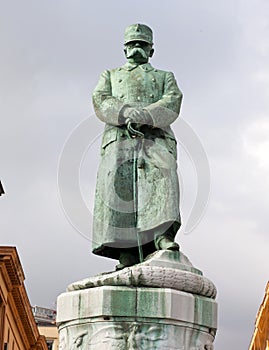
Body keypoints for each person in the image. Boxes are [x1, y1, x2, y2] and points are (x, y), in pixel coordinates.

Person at [92, 24, 183, 269]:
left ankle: (162, 235)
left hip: (156, 137)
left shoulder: (165, 77)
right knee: (121, 192)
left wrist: (144, 116)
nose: (136, 49)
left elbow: (173, 100)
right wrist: (125, 113)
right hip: (119, 137)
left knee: (163, 182)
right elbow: (101, 99)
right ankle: (126, 251)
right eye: (132, 44)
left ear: (151, 50)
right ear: (124, 48)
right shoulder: (110, 75)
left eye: (142, 44)